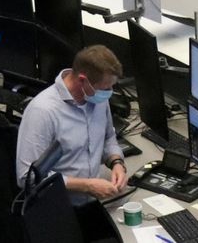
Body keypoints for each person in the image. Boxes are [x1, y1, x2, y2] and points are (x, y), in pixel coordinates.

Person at [15, 44, 127, 204]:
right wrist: (86, 186)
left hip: (94, 203)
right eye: (105, 88)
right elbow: (27, 177)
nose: (109, 93)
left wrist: (117, 162)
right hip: (58, 208)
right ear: (83, 80)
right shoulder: (43, 111)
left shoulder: (98, 99)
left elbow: (109, 137)